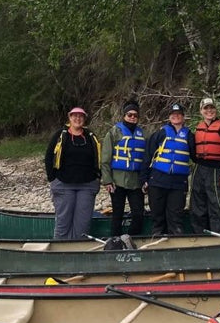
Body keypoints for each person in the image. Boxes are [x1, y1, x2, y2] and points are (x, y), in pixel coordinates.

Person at [44, 106, 101, 239]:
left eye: (80, 116)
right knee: (63, 223)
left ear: (84, 119)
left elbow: (98, 158)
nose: (77, 118)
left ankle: (78, 252)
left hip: (87, 185)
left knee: (83, 225)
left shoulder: (91, 136)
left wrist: (98, 177)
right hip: (64, 184)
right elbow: (48, 157)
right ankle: (60, 253)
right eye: (74, 116)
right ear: (69, 118)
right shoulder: (60, 135)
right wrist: (52, 179)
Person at [141, 103, 193, 235]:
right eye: (173, 114)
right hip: (158, 180)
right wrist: (144, 178)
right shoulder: (160, 133)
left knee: (175, 217)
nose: (176, 117)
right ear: (169, 117)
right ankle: (157, 242)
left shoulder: (189, 135)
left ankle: (176, 243)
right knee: (157, 216)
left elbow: (196, 156)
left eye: (179, 114)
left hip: (178, 182)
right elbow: (148, 156)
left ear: (183, 117)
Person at [100, 100, 147, 237]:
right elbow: (105, 159)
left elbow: (148, 158)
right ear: (124, 115)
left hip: (136, 182)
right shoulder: (114, 132)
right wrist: (107, 180)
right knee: (117, 214)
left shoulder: (143, 134)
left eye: (135, 115)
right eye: (129, 114)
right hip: (117, 181)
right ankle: (115, 240)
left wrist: (146, 179)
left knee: (138, 214)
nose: (132, 117)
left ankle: (131, 238)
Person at [189, 97, 220, 234]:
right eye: (206, 108)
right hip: (199, 169)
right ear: (201, 111)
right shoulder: (198, 127)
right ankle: (199, 236)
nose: (209, 111)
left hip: (217, 170)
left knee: (216, 206)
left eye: (211, 108)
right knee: (197, 205)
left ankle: (218, 236)